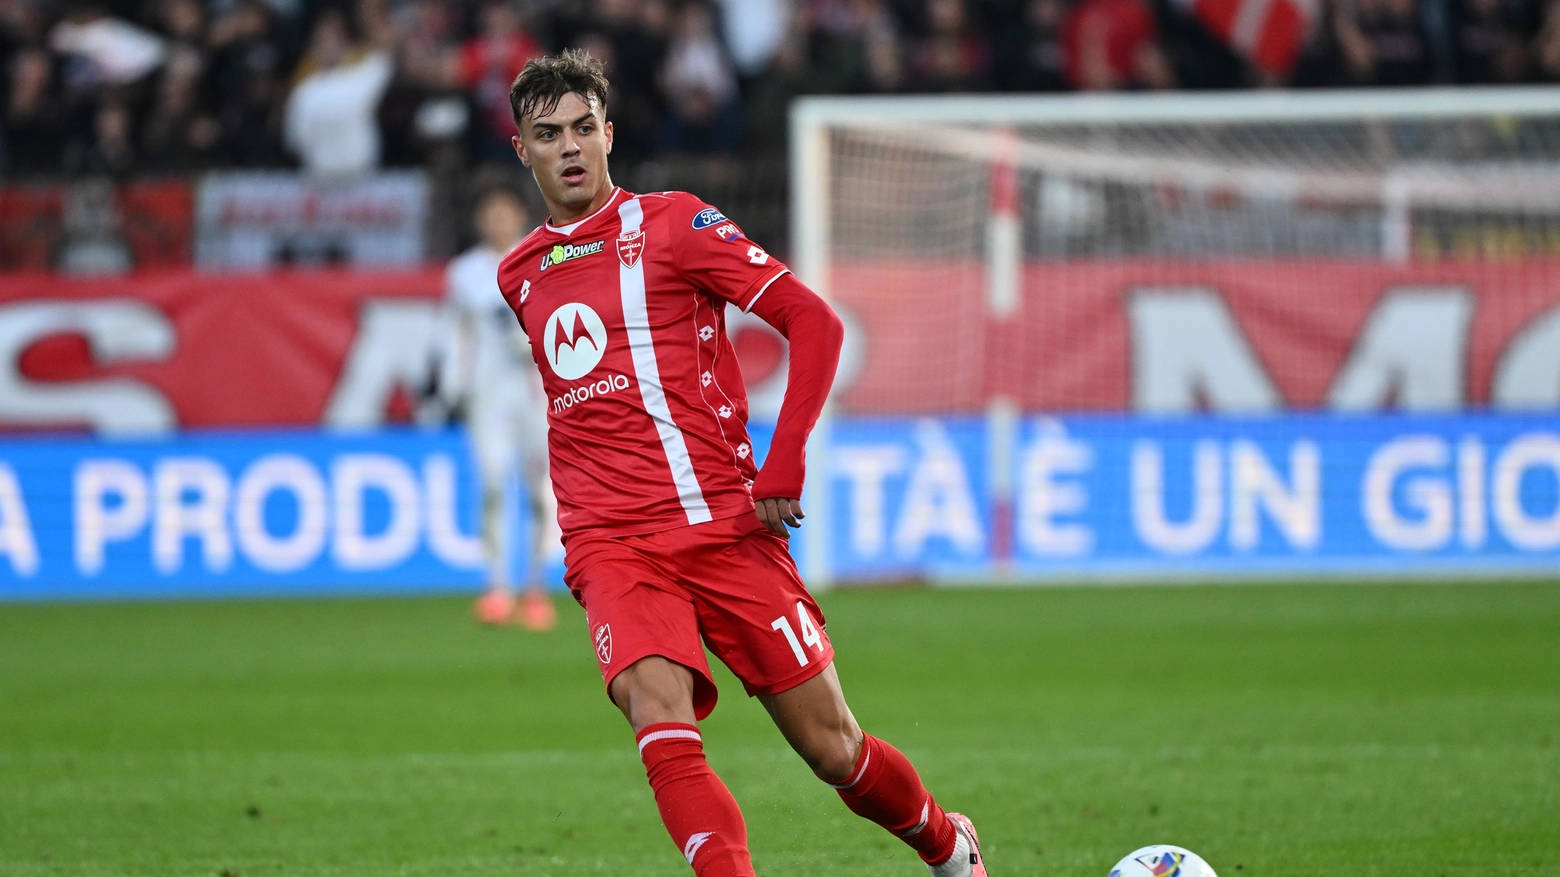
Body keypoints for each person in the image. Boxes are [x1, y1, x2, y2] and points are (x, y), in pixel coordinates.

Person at [496, 50, 989, 877]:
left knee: (834, 749)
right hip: (613, 544)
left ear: (610, 134)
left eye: (585, 128)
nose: (571, 147)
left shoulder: (675, 224)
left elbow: (814, 321)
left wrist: (783, 459)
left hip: (726, 527)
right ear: (522, 150)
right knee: (659, 713)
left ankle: (948, 843)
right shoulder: (519, 274)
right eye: (549, 135)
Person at [440, 187, 558, 630]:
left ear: (517, 217)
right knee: (492, 483)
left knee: (537, 489)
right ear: (479, 221)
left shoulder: (539, 255)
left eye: (504, 214)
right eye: (489, 214)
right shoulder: (464, 272)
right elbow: (457, 332)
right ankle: (496, 586)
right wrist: (453, 388)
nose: (497, 222)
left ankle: (534, 586)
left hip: (534, 388)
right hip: (488, 391)